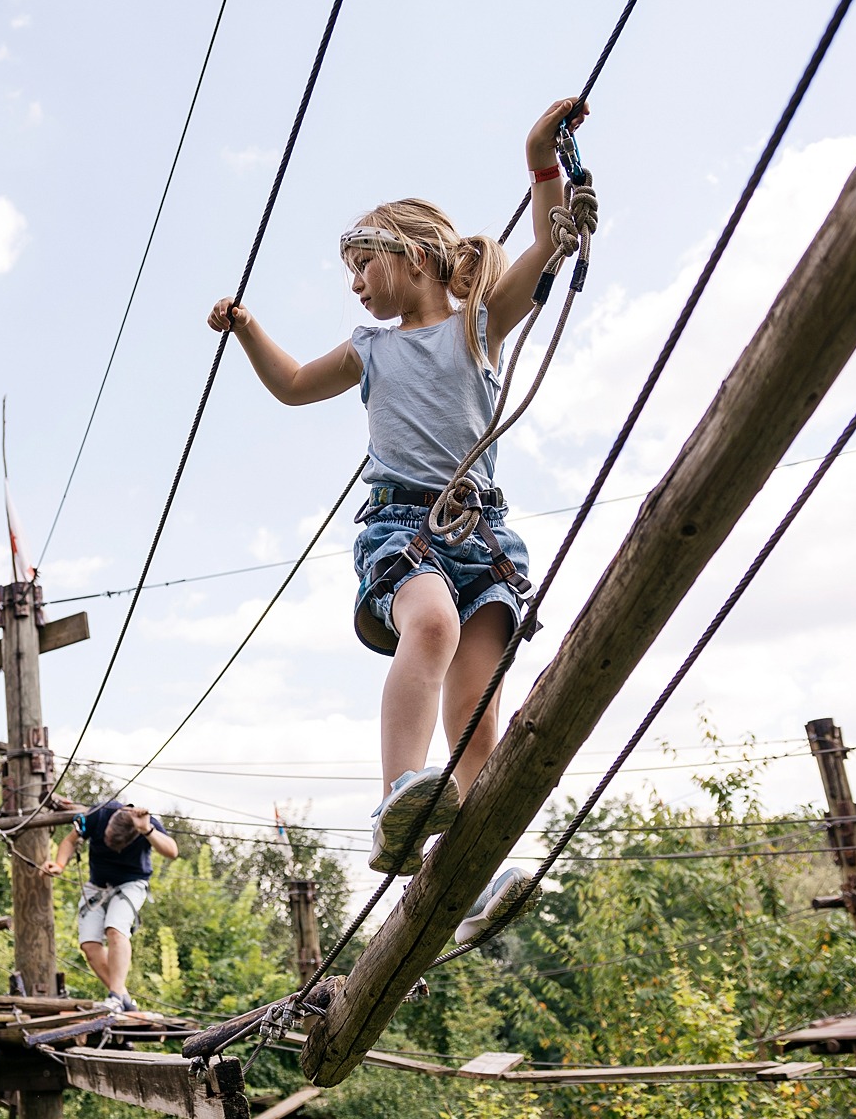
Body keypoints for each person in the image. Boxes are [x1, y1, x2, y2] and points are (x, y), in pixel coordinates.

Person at [206, 98, 587, 940]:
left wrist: (542, 165)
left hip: (481, 532)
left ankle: (478, 875)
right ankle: (399, 799)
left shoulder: (479, 326)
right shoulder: (369, 349)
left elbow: (550, 245)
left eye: (360, 265)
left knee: (482, 710)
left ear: (411, 257)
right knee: (430, 627)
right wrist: (247, 329)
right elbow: (296, 383)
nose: (353, 284)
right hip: (403, 528)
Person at [41, 801, 178, 1011]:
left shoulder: (146, 824)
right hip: (97, 885)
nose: (108, 844)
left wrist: (147, 830)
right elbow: (70, 841)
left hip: (132, 884)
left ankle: (115, 996)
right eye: (107, 838)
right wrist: (59, 865)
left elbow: (172, 851)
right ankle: (123, 998)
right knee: (89, 944)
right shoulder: (99, 813)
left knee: (115, 929)